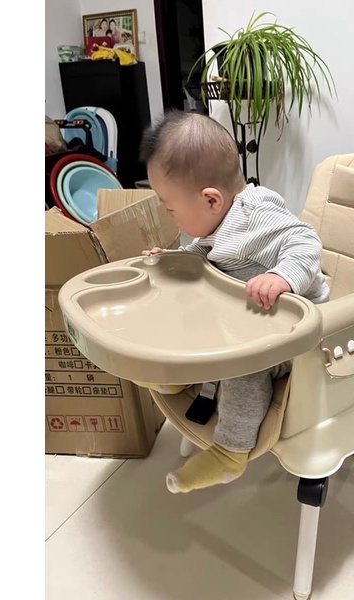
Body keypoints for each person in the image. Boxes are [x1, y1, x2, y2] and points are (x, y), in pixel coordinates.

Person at [139, 111, 329, 494]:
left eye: (170, 207)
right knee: (194, 323)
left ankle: (231, 453)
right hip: (248, 321)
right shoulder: (219, 221)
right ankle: (179, 378)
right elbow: (208, 251)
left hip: (297, 337)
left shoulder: (256, 215)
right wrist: (174, 259)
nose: (168, 214)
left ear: (211, 200)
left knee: (245, 367)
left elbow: (305, 240)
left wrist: (282, 276)